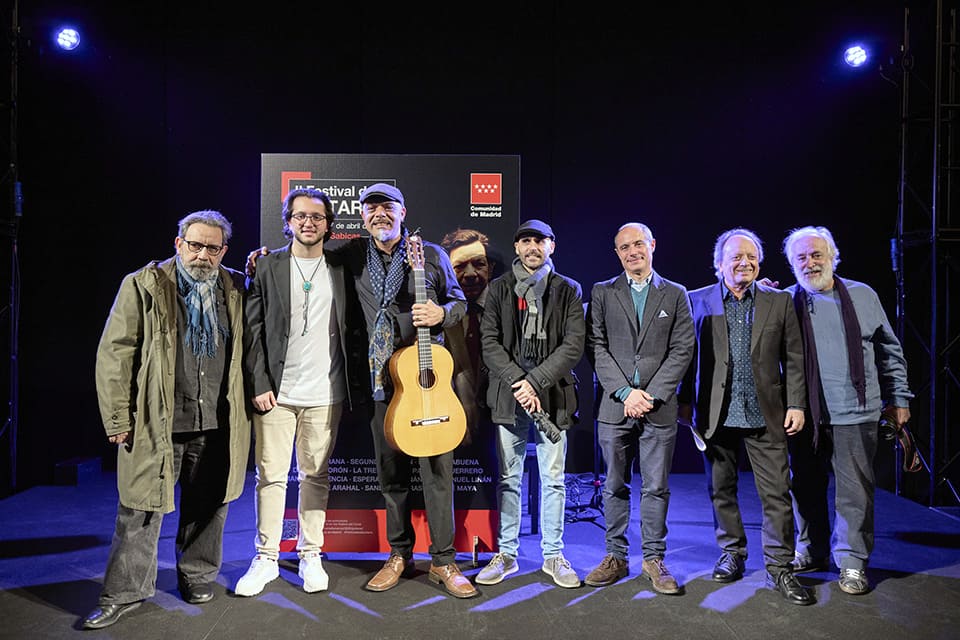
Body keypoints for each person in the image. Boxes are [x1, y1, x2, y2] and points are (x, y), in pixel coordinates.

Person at [246, 184, 476, 598]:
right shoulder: (348, 255)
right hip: (380, 384)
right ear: (362, 217)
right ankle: (399, 554)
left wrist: (442, 312)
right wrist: (260, 260)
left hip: (428, 379)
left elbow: (460, 304)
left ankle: (443, 561)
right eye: (371, 209)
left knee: (438, 475)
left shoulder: (430, 255)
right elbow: (301, 259)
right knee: (391, 477)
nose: (379, 215)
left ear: (403, 212)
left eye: (387, 207)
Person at [83, 211, 250, 629]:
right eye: (195, 245)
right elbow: (115, 354)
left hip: (216, 420)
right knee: (139, 509)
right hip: (156, 422)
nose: (203, 255)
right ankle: (123, 593)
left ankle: (196, 575)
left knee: (210, 505)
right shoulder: (143, 285)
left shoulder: (235, 287)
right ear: (179, 244)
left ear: (223, 251)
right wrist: (118, 416)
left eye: (212, 248)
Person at [235, 188, 368, 596]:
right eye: (300, 216)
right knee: (270, 477)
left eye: (316, 216)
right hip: (276, 393)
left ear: (329, 224)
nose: (308, 223)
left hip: (326, 392)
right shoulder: (267, 266)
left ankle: (311, 553)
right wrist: (259, 382)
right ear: (288, 221)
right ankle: (267, 557)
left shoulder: (343, 266)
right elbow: (253, 331)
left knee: (315, 475)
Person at [678, 227, 815, 605]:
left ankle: (780, 567)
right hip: (714, 413)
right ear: (719, 264)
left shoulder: (778, 301)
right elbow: (685, 357)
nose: (745, 263)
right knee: (721, 490)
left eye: (751, 257)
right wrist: (683, 402)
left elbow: (795, 357)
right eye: (736, 257)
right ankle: (732, 553)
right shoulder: (696, 300)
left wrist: (797, 403)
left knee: (776, 494)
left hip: (766, 412)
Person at [782, 225, 913, 595]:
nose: (809, 263)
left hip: (856, 412)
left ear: (833, 257)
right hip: (805, 416)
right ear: (792, 264)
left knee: (854, 493)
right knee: (804, 488)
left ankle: (852, 563)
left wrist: (899, 398)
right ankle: (812, 550)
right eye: (801, 258)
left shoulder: (862, 295)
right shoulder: (785, 301)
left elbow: (890, 350)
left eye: (816, 255)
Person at [584, 222, 694, 594]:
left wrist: (651, 394)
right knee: (614, 485)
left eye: (638, 244)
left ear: (652, 245)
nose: (632, 252)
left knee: (656, 487)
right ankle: (615, 556)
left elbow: (683, 349)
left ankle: (653, 559)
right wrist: (624, 393)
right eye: (624, 247)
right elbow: (595, 346)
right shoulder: (602, 292)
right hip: (615, 409)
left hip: (658, 408)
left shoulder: (676, 294)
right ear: (617, 253)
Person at [475, 219, 585, 589]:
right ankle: (506, 554)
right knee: (509, 479)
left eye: (539, 240)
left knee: (553, 480)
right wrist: (518, 383)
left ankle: (553, 555)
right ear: (517, 247)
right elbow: (489, 344)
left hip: (552, 397)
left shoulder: (568, 289)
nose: (532, 247)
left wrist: (534, 382)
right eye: (525, 241)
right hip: (509, 396)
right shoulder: (498, 289)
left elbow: (573, 345)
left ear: (551, 245)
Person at [440, 228, 494, 443]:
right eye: (460, 266)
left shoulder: (506, 309)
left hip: (498, 425)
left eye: (479, 263)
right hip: (451, 427)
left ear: (491, 267)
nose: (471, 273)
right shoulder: (439, 315)